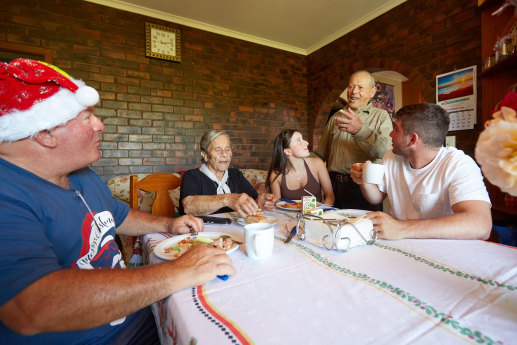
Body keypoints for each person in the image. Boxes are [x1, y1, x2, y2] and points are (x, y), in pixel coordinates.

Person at [0, 59, 236, 345]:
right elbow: (31, 307)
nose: (100, 125)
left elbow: (118, 215)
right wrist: (179, 271)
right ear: (45, 133)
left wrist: (169, 223)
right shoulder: (8, 191)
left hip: (137, 316)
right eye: (87, 118)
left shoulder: (83, 175)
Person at [350, 103, 492, 240]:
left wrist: (401, 228)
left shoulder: (459, 164)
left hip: (444, 248)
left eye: (396, 129)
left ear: (412, 139)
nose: (390, 134)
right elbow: (376, 198)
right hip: (402, 244)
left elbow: (481, 225)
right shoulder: (392, 157)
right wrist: (364, 181)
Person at [313, 70, 393, 211]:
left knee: (362, 231)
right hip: (332, 188)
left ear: (372, 92)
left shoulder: (381, 116)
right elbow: (320, 154)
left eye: (360, 87)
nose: (354, 91)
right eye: (351, 87)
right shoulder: (336, 117)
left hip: (363, 189)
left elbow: (385, 152)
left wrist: (360, 131)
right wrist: (296, 160)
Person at [180, 130, 278, 217]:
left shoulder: (236, 175)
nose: (224, 154)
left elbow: (253, 199)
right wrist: (227, 199)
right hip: (203, 232)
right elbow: (189, 206)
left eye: (227, 149)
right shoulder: (192, 176)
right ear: (205, 154)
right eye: (218, 150)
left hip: (234, 231)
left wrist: (260, 202)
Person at [266, 129, 334, 205]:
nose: (307, 143)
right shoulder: (276, 174)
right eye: (298, 141)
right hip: (288, 216)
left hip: (316, 215)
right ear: (288, 151)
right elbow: (277, 205)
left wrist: (319, 211)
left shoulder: (318, 164)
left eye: (303, 139)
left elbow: (330, 197)